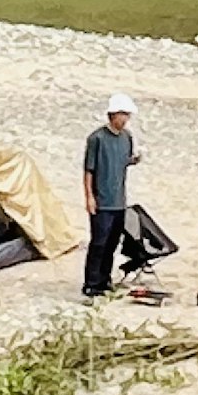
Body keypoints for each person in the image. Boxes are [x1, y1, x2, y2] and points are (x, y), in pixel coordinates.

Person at [80, 94, 139, 298]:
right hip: (102, 201)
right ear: (113, 115)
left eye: (127, 115)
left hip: (119, 200)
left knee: (112, 243)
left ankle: (104, 280)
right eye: (123, 115)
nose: (125, 119)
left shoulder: (127, 138)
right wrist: (89, 197)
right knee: (98, 243)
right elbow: (89, 170)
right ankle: (91, 283)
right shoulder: (96, 139)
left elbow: (124, 161)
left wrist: (133, 161)